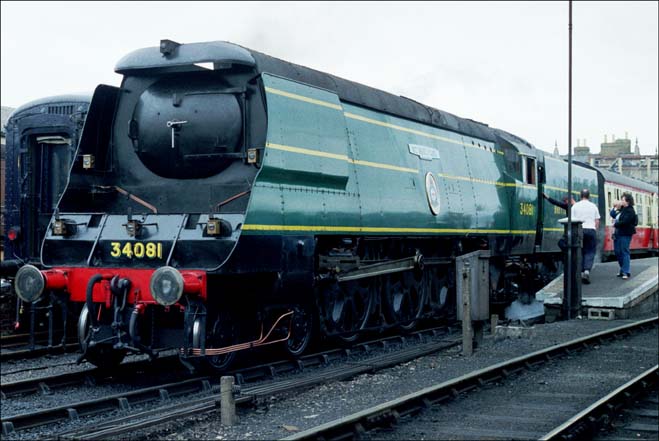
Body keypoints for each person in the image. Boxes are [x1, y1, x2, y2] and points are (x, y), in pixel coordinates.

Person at [571, 189, 600, 284]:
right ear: (589, 196)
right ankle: (586, 271)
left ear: (580, 195)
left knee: (580, 250)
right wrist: (595, 230)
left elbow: (572, 220)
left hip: (579, 230)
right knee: (590, 251)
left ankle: (580, 271)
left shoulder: (575, 206)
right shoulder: (593, 206)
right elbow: (597, 221)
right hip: (591, 230)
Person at [613, 193, 638, 279]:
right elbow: (612, 214)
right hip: (618, 233)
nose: (621, 201)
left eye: (623, 200)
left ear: (627, 201)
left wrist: (616, 224)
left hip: (625, 233)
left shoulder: (630, 211)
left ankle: (626, 271)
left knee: (624, 251)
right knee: (617, 252)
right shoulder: (622, 209)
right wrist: (615, 207)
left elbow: (626, 221)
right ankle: (622, 269)